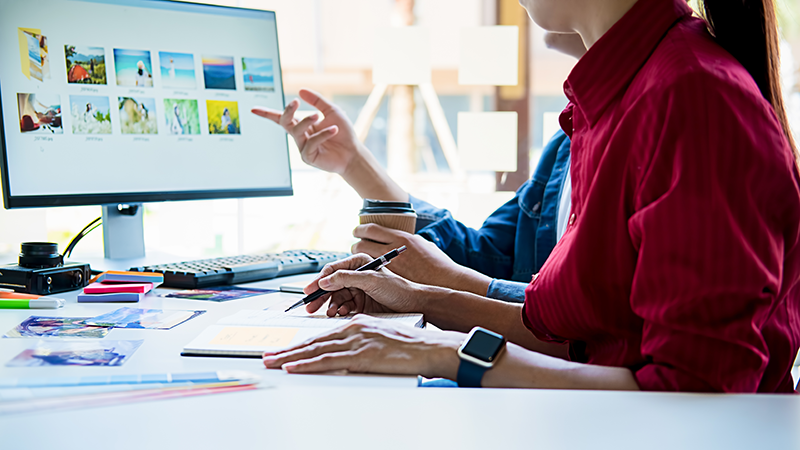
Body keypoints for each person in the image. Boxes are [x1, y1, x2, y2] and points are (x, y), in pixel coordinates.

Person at [260, 0, 800, 393]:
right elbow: (583, 335)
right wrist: (421, 301)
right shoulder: (614, 101)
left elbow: (696, 392)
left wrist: (444, 351)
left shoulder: (693, 99)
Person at [252, 33, 586, 307]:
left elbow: (583, 319)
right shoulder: (567, 137)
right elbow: (487, 257)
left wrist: (440, 283)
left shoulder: (613, 132)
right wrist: (352, 162)